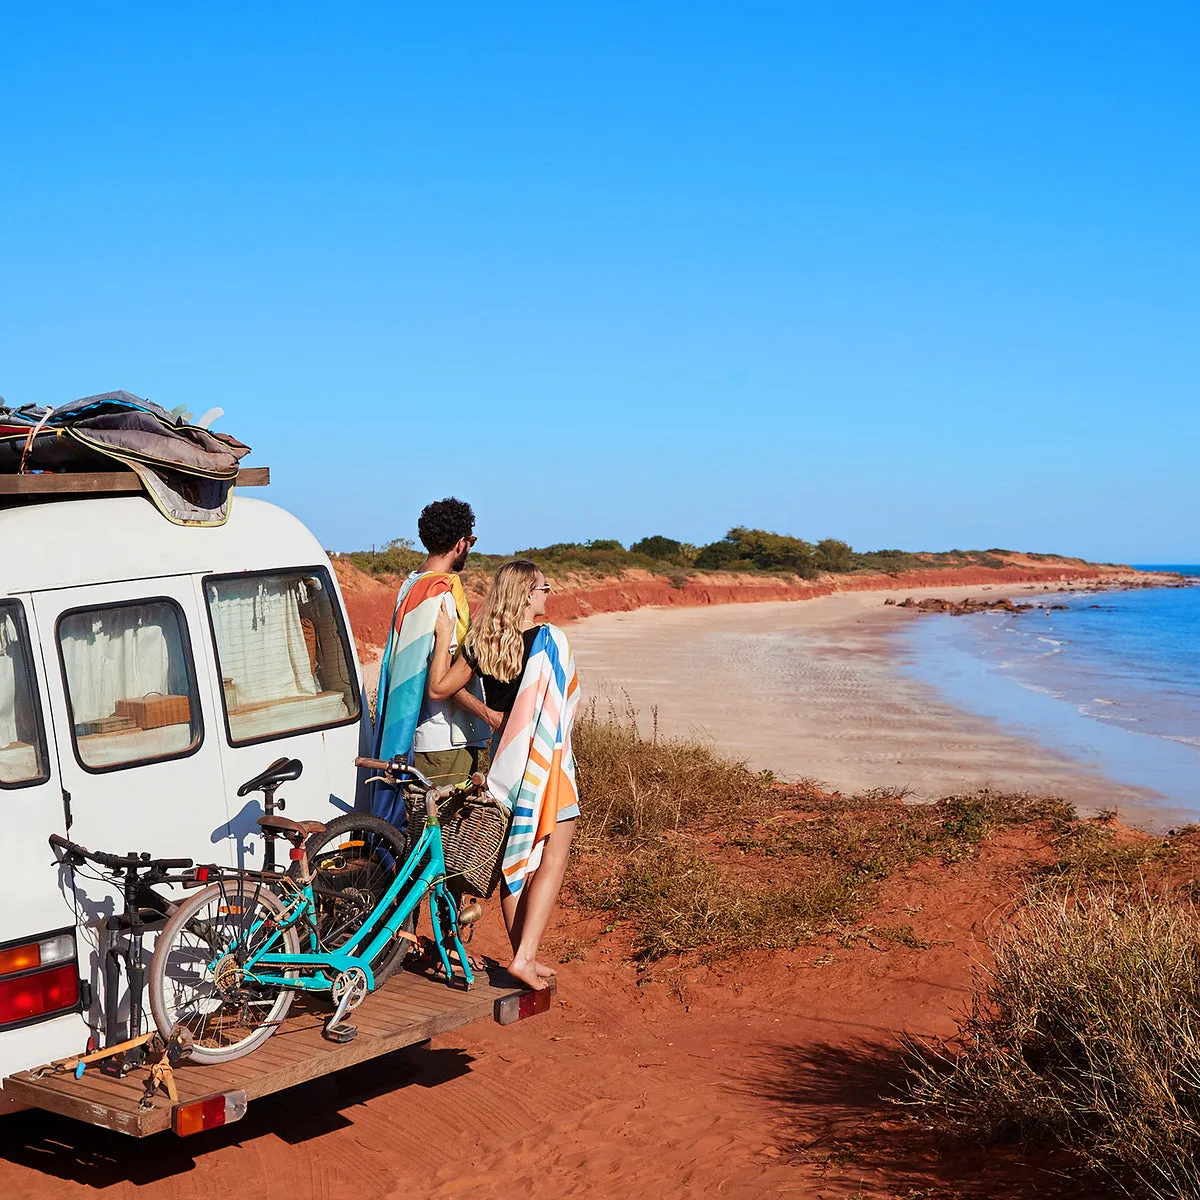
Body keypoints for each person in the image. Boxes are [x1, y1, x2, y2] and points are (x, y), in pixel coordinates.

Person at [428, 560, 579, 991]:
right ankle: (525, 957)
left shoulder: (483, 643)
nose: (548, 594)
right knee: (552, 859)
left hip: (507, 766)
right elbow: (563, 709)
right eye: (543, 588)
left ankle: (522, 958)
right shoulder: (551, 640)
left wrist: (444, 639)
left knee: (515, 860)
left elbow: (439, 687)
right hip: (547, 764)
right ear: (526, 594)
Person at [372, 499, 500, 824]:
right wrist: (489, 715)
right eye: (470, 542)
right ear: (460, 543)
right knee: (445, 846)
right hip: (445, 741)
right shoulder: (443, 597)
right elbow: (442, 681)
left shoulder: (411, 587)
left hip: (421, 736)